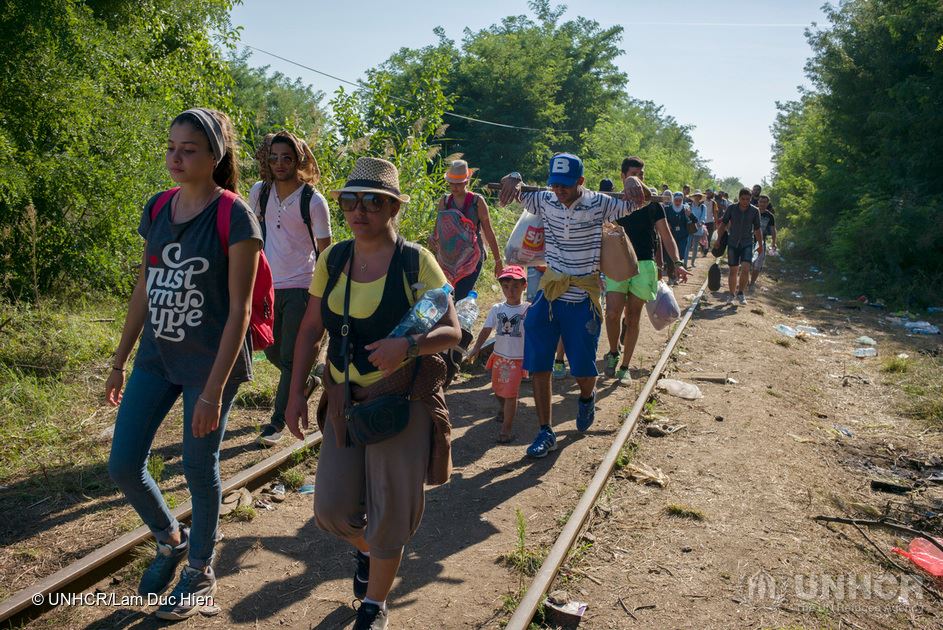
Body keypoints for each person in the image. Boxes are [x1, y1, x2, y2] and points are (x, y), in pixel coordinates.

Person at [284, 157, 461, 630]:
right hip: (344, 398)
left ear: (391, 208)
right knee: (332, 510)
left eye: (372, 201)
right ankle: (372, 553)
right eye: (350, 201)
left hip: (400, 401)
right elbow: (309, 330)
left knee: (391, 511)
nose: (359, 211)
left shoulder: (414, 260)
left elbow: (452, 332)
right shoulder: (334, 259)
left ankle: (374, 605)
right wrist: (295, 392)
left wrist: (409, 345)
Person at [105, 108, 262, 620]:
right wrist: (119, 359)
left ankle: (199, 569)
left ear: (214, 156)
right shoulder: (157, 208)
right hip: (157, 357)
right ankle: (170, 539)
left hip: (209, 367)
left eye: (188, 149)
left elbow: (239, 309)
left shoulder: (234, 214)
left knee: (199, 466)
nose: (176, 157)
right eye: (171, 147)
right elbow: (144, 289)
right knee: (124, 464)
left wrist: (215, 391)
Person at [498, 153, 646, 458]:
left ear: (580, 182)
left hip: (582, 299)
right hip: (550, 294)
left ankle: (587, 396)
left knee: (583, 371)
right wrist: (513, 175)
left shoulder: (599, 203)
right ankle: (545, 430)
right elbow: (518, 189)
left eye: (566, 185)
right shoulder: (544, 200)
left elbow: (636, 201)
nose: (560, 191)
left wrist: (632, 181)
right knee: (541, 363)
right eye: (555, 184)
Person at [249, 131, 332, 448]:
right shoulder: (260, 192)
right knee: (271, 349)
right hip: (268, 287)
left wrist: (324, 295)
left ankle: (276, 423)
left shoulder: (313, 200)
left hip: (303, 286)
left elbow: (326, 252)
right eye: (274, 158)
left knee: (287, 359)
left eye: (286, 157)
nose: (279, 164)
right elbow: (251, 235)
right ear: (266, 162)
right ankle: (308, 376)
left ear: (298, 159)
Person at [604, 171, 689, 383]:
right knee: (612, 313)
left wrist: (676, 262)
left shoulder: (653, 205)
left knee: (633, 317)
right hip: (618, 263)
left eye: (640, 174)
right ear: (623, 176)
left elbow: (666, 236)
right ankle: (613, 352)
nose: (637, 178)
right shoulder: (613, 203)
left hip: (644, 264)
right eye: (633, 174)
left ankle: (625, 367)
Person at [468, 265, 529, 443]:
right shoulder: (497, 309)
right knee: (498, 390)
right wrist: (476, 347)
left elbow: (537, 332)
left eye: (515, 287)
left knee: (510, 394)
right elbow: (486, 330)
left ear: (524, 286)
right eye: (506, 287)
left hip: (517, 359)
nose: (510, 291)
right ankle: (502, 410)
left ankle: (506, 430)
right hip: (499, 356)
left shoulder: (528, 309)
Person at [430, 159, 504, 300]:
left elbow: (488, 231)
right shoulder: (445, 202)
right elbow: (439, 228)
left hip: (473, 257)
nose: (454, 187)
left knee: (462, 296)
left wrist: (498, 261)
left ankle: (460, 320)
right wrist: (433, 239)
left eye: (458, 184)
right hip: (449, 258)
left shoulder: (477, 202)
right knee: (448, 297)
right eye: (451, 183)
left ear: (467, 182)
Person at [715, 187, 763, 305]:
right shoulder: (731, 208)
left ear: (750, 199)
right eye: (743, 199)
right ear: (739, 198)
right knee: (733, 270)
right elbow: (723, 224)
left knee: (746, 268)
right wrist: (718, 239)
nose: (745, 201)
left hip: (747, 243)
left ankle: (741, 293)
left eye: (747, 199)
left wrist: (760, 244)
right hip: (733, 242)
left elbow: (757, 229)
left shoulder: (754, 211)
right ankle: (731, 294)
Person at [664, 192, 696, 283]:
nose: (678, 202)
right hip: (671, 236)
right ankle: (671, 277)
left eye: (680, 200)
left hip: (683, 237)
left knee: (679, 257)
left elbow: (695, 220)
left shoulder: (686, 208)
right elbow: (662, 220)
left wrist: (689, 214)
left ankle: (677, 277)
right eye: (676, 200)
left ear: (682, 200)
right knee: (670, 257)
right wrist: (667, 224)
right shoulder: (668, 209)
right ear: (673, 200)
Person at [749, 194, 777, 290]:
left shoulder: (770, 216)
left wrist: (773, 242)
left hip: (761, 242)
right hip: (748, 240)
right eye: (761, 202)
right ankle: (744, 280)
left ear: (767, 203)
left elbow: (773, 230)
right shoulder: (751, 211)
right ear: (758, 202)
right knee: (747, 263)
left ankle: (752, 283)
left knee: (757, 265)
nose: (762, 204)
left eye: (765, 202)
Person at [686, 190, 710, 268]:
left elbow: (704, 217)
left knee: (695, 246)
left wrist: (701, 223)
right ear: (694, 197)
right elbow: (687, 215)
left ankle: (692, 263)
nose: (697, 197)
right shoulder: (689, 205)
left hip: (699, 229)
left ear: (700, 197)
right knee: (688, 245)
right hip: (690, 228)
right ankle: (685, 263)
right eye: (696, 196)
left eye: (699, 196)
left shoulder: (703, 207)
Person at [703, 189, 719, 255]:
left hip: (710, 222)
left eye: (710, 193)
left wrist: (716, 223)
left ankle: (706, 250)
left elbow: (715, 213)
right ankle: (704, 248)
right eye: (707, 193)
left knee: (709, 237)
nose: (708, 195)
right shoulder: (702, 202)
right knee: (702, 236)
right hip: (703, 222)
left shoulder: (714, 203)